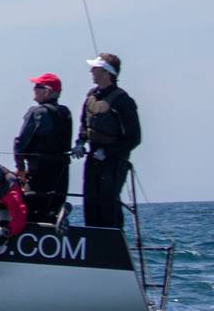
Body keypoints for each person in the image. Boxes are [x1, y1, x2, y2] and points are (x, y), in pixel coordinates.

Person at [75, 53, 143, 229]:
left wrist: (108, 153)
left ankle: (112, 239)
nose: (91, 71)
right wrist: (80, 142)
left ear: (106, 72)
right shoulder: (91, 96)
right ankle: (93, 238)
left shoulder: (123, 101)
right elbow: (84, 124)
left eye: (95, 68)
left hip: (114, 162)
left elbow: (134, 138)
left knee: (108, 203)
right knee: (91, 203)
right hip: (93, 159)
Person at [15, 73, 75, 226]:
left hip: (38, 174)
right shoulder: (65, 113)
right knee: (51, 208)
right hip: (61, 176)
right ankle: (57, 218)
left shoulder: (37, 113)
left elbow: (20, 143)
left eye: (37, 86)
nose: (34, 89)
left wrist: (20, 168)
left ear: (47, 91)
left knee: (30, 210)